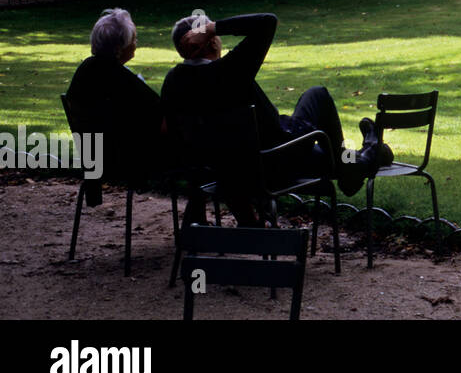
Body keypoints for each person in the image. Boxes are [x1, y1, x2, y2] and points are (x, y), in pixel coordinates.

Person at [161, 12, 391, 226]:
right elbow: (267, 21)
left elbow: (178, 138)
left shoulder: (172, 82)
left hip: (234, 171)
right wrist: (212, 27)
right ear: (210, 41)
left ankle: (364, 152)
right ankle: (368, 154)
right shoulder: (230, 71)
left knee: (333, 144)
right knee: (318, 96)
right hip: (279, 158)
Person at [65, 9, 167, 206]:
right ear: (121, 47)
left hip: (95, 160)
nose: (136, 43)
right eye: (134, 39)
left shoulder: (86, 71)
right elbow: (161, 121)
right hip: (127, 163)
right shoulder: (122, 80)